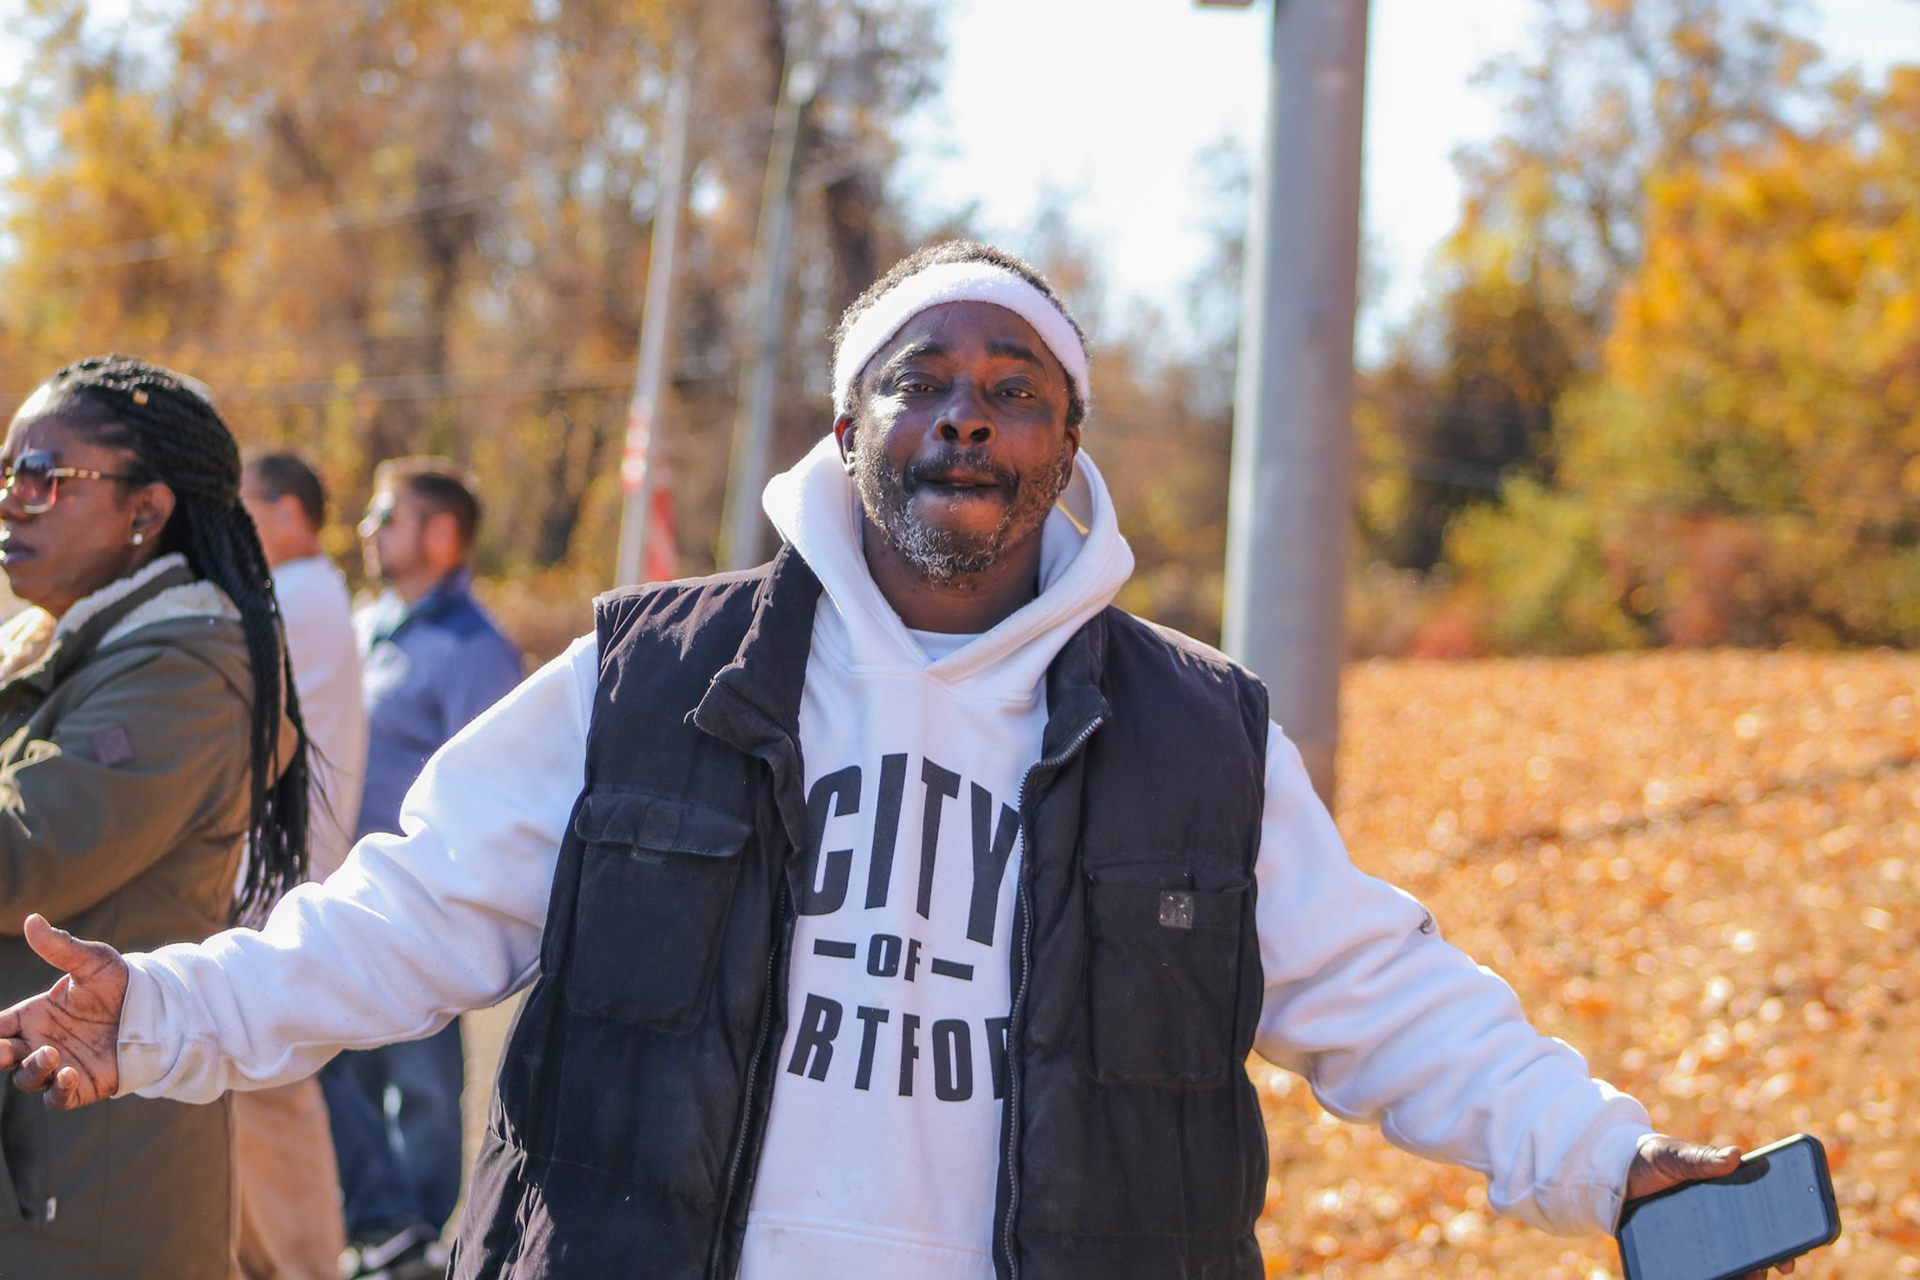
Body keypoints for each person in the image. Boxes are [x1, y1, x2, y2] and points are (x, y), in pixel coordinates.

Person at [0, 247, 1793, 1280]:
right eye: (922, 379)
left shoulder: (1200, 737)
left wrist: (1616, 1165)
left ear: (1068, 445)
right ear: (848, 425)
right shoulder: (648, 675)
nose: (965, 417)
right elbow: (406, 916)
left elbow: (1394, 1006)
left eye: (1014, 389)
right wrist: (162, 1012)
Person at [0, 355, 308, 1278]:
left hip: (87, 1180)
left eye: (43, 475)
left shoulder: (186, 673)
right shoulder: (53, 644)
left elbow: (19, 855)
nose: (13, 500)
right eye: (6, 472)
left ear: (145, 511)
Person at [319, 456, 521, 1276]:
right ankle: (379, 1233)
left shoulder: (477, 651)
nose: (367, 530)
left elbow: (493, 785)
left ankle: (424, 1251)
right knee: (344, 1068)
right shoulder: (365, 624)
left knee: (425, 1086)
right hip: (343, 895)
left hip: (421, 904)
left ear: (440, 535)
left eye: (387, 516)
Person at [235, 450, 369, 1280]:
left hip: (275, 876)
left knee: (271, 1084)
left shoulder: (298, 594)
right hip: (280, 869)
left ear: (287, 513)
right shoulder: (311, 591)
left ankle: (307, 1263)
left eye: (241, 505)